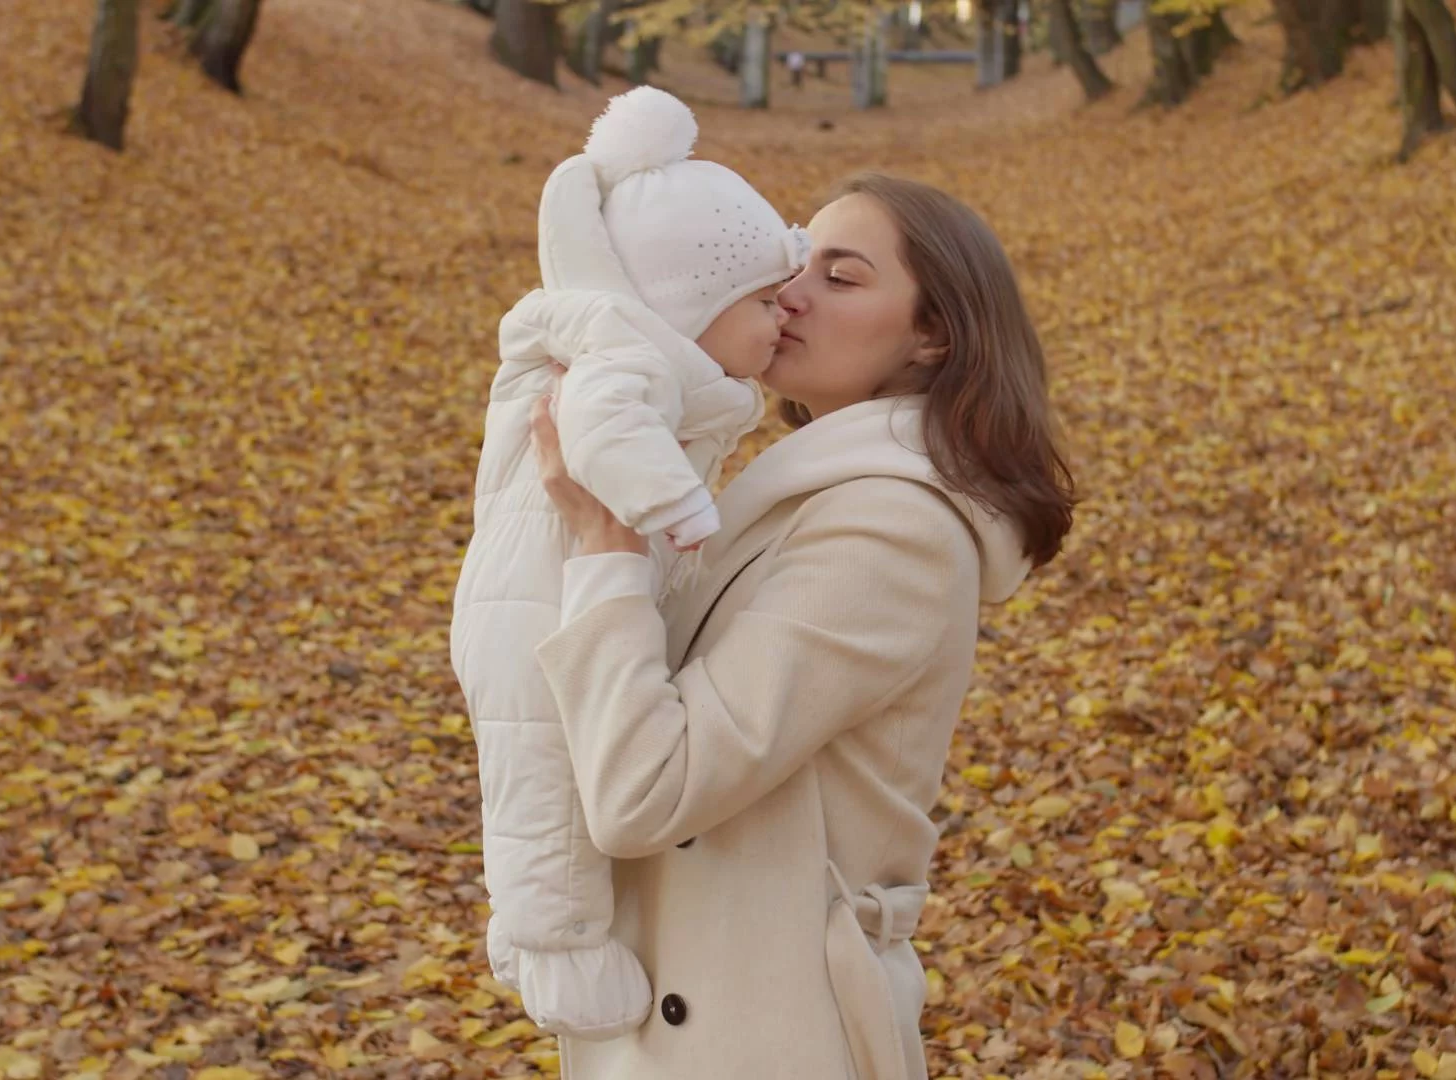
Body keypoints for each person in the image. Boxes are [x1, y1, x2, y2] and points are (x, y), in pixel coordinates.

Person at [526, 172, 1077, 1078]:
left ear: (934, 335)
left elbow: (647, 789)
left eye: (841, 276)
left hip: (765, 1029)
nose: (790, 291)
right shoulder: (813, 491)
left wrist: (608, 544)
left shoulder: (892, 532)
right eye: (797, 258)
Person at [450, 86, 808, 1042]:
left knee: (551, 776)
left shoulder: (652, 352)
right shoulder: (623, 345)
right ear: (693, 305)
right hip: (537, 597)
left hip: (556, 584)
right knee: (544, 777)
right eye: (766, 302)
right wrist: (682, 509)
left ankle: (534, 931)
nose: (785, 319)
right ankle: (554, 946)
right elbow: (598, 427)